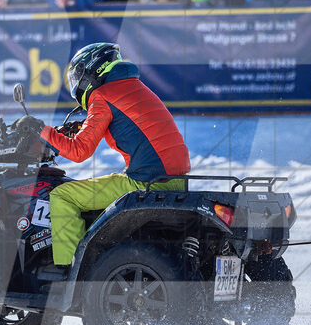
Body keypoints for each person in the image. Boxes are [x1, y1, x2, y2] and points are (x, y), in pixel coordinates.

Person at [18, 42, 190, 270]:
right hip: (175, 181)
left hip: (144, 182)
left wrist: (41, 129)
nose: (77, 83)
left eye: (78, 76)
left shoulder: (102, 95)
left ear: (92, 70)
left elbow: (80, 151)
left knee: (61, 196)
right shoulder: (132, 86)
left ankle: (69, 272)